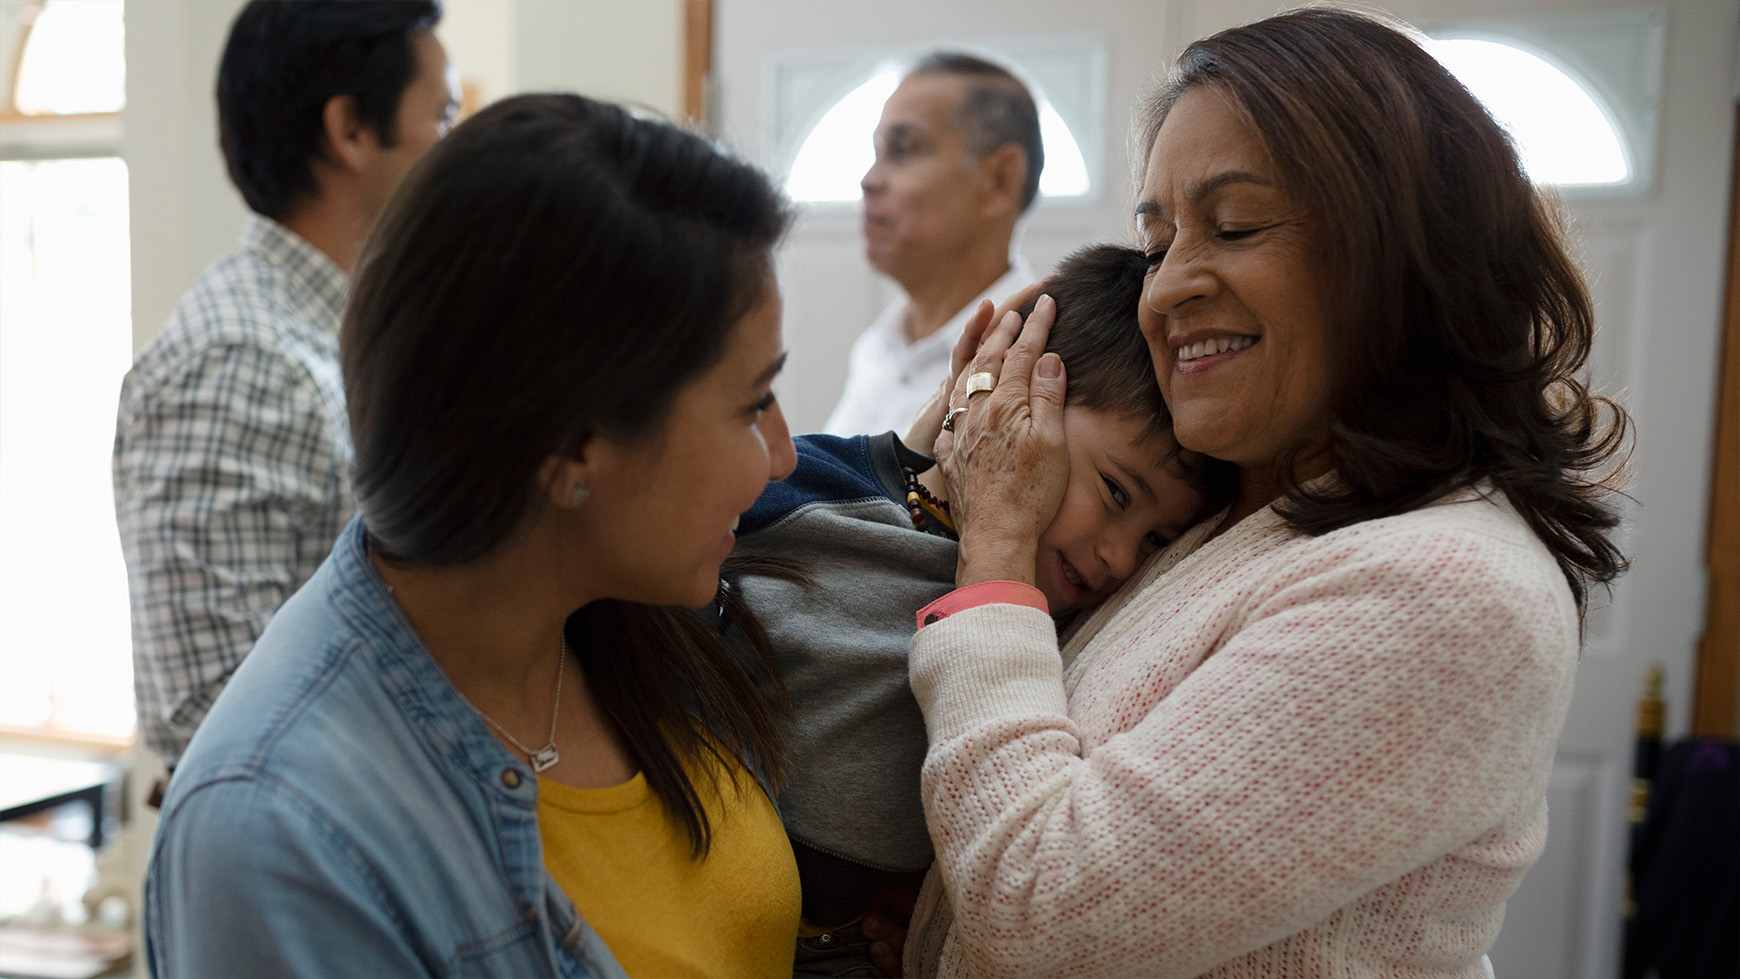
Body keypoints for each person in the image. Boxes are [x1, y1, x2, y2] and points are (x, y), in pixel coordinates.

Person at [904, 8, 1631, 977]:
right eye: (1157, 243)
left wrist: (995, 548)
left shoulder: (1442, 586)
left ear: (1405, 251)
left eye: (1235, 225)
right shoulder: (1238, 521)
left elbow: (1043, 914)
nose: (1164, 291)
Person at [146, 94, 801, 978]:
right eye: (751, 401)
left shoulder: (616, 614)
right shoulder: (279, 829)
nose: (782, 455)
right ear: (573, 444)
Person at [727, 244, 1236, 976]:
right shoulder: (807, 493)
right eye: (1116, 493)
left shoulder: (1051, 643)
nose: (1121, 557)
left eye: (1154, 538)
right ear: (1008, 390)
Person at [113, 0, 457, 768]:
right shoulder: (239, 361)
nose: (455, 149)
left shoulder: (350, 335)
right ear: (351, 130)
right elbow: (219, 715)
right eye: (444, 114)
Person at [823, 51, 1043, 437]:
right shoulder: (876, 349)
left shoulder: (1033, 370)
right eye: (876, 152)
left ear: (999, 180)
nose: (868, 180)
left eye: (903, 149)